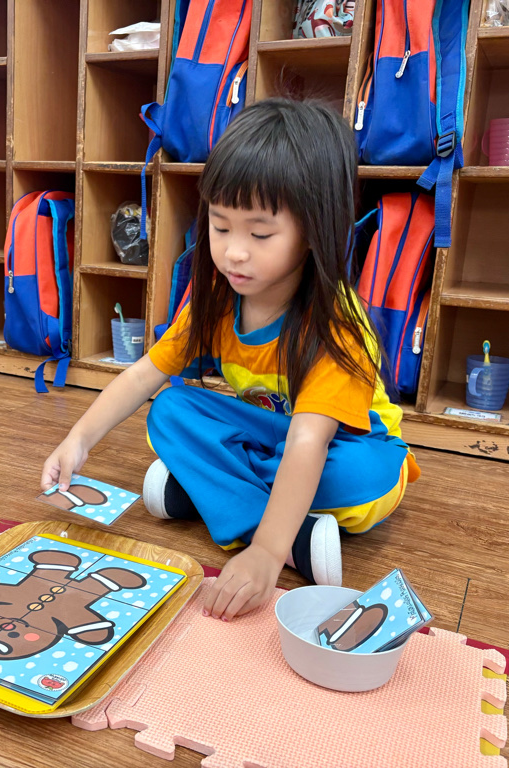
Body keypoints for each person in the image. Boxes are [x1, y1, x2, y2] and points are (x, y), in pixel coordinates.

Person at [40, 98, 420, 621]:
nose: (234, 252)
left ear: (314, 231)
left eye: (260, 234)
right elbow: (146, 373)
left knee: (362, 476)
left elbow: (309, 441)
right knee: (170, 411)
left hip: (350, 444)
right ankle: (282, 525)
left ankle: (215, 494)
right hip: (273, 439)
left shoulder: (336, 321)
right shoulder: (218, 297)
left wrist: (264, 554)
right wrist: (78, 439)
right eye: (220, 227)